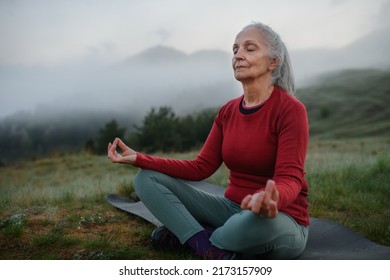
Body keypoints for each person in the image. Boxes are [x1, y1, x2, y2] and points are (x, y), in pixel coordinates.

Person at [107, 22, 309, 260]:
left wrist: (272, 197)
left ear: (274, 61)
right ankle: (205, 245)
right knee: (146, 179)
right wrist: (140, 159)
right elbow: (200, 167)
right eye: (235, 50)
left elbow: (290, 178)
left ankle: (190, 236)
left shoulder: (290, 110)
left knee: (245, 225)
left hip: (279, 217)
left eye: (249, 49)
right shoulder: (228, 111)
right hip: (230, 209)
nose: (238, 56)